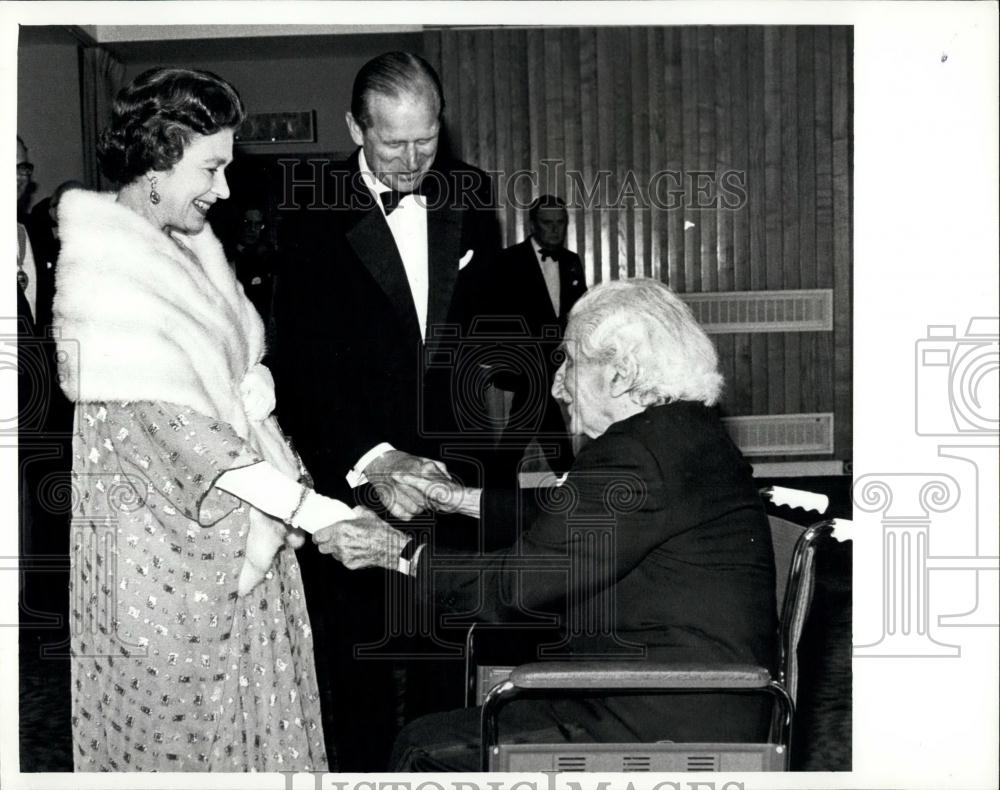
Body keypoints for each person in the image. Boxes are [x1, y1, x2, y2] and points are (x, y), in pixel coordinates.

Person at [51, 66, 407, 772]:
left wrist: (268, 401)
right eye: (210, 167)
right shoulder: (104, 281)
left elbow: (243, 396)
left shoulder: (186, 249)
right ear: (157, 159)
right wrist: (323, 514)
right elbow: (199, 446)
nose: (224, 189)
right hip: (167, 575)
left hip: (242, 551)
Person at [312, 278, 778, 771]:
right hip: (684, 697)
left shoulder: (636, 453)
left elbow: (511, 590)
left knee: (423, 746)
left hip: (658, 722)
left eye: (570, 362)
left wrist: (398, 553)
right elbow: (582, 518)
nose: (557, 386)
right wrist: (458, 500)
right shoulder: (685, 431)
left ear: (621, 373)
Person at [272, 51, 500, 769]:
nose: (411, 159)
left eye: (426, 139)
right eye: (392, 142)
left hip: (453, 466)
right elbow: (300, 365)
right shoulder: (307, 207)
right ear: (354, 128)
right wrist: (374, 457)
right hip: (357, 468)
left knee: (449, 651)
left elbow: (485, 334)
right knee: (361, 665)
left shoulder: (470, 192)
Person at [478, 194, 587, 484]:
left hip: (554, 361)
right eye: (547, 223)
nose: (555, 230)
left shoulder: (571, 262)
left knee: (533, 406)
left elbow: (577, 313)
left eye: (560, 223)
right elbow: (490, 315)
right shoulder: (507, 261)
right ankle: (567, 474)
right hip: (516, 361)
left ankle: (499, 481)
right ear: (533, 224)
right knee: (537, 394)